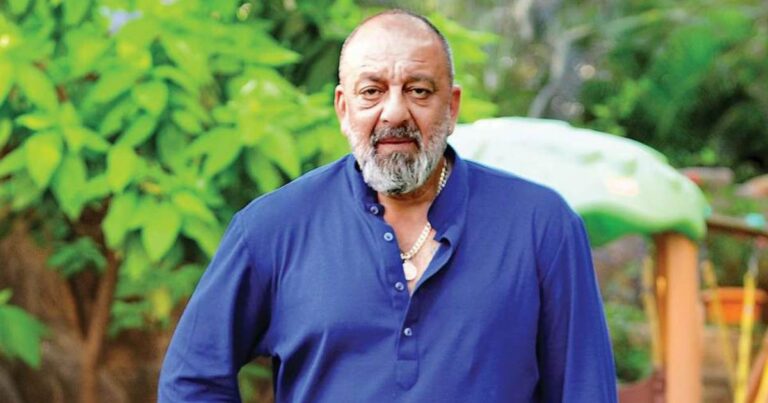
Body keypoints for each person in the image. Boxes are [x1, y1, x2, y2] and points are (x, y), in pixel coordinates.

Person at [158, 9, 617, 403]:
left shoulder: (541, 226)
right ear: (343, 108)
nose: (394, 112)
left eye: (418, 90)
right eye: (371, 91)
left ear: (452, 107)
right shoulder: (271, 229)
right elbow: (191, 381)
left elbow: (585, 389)